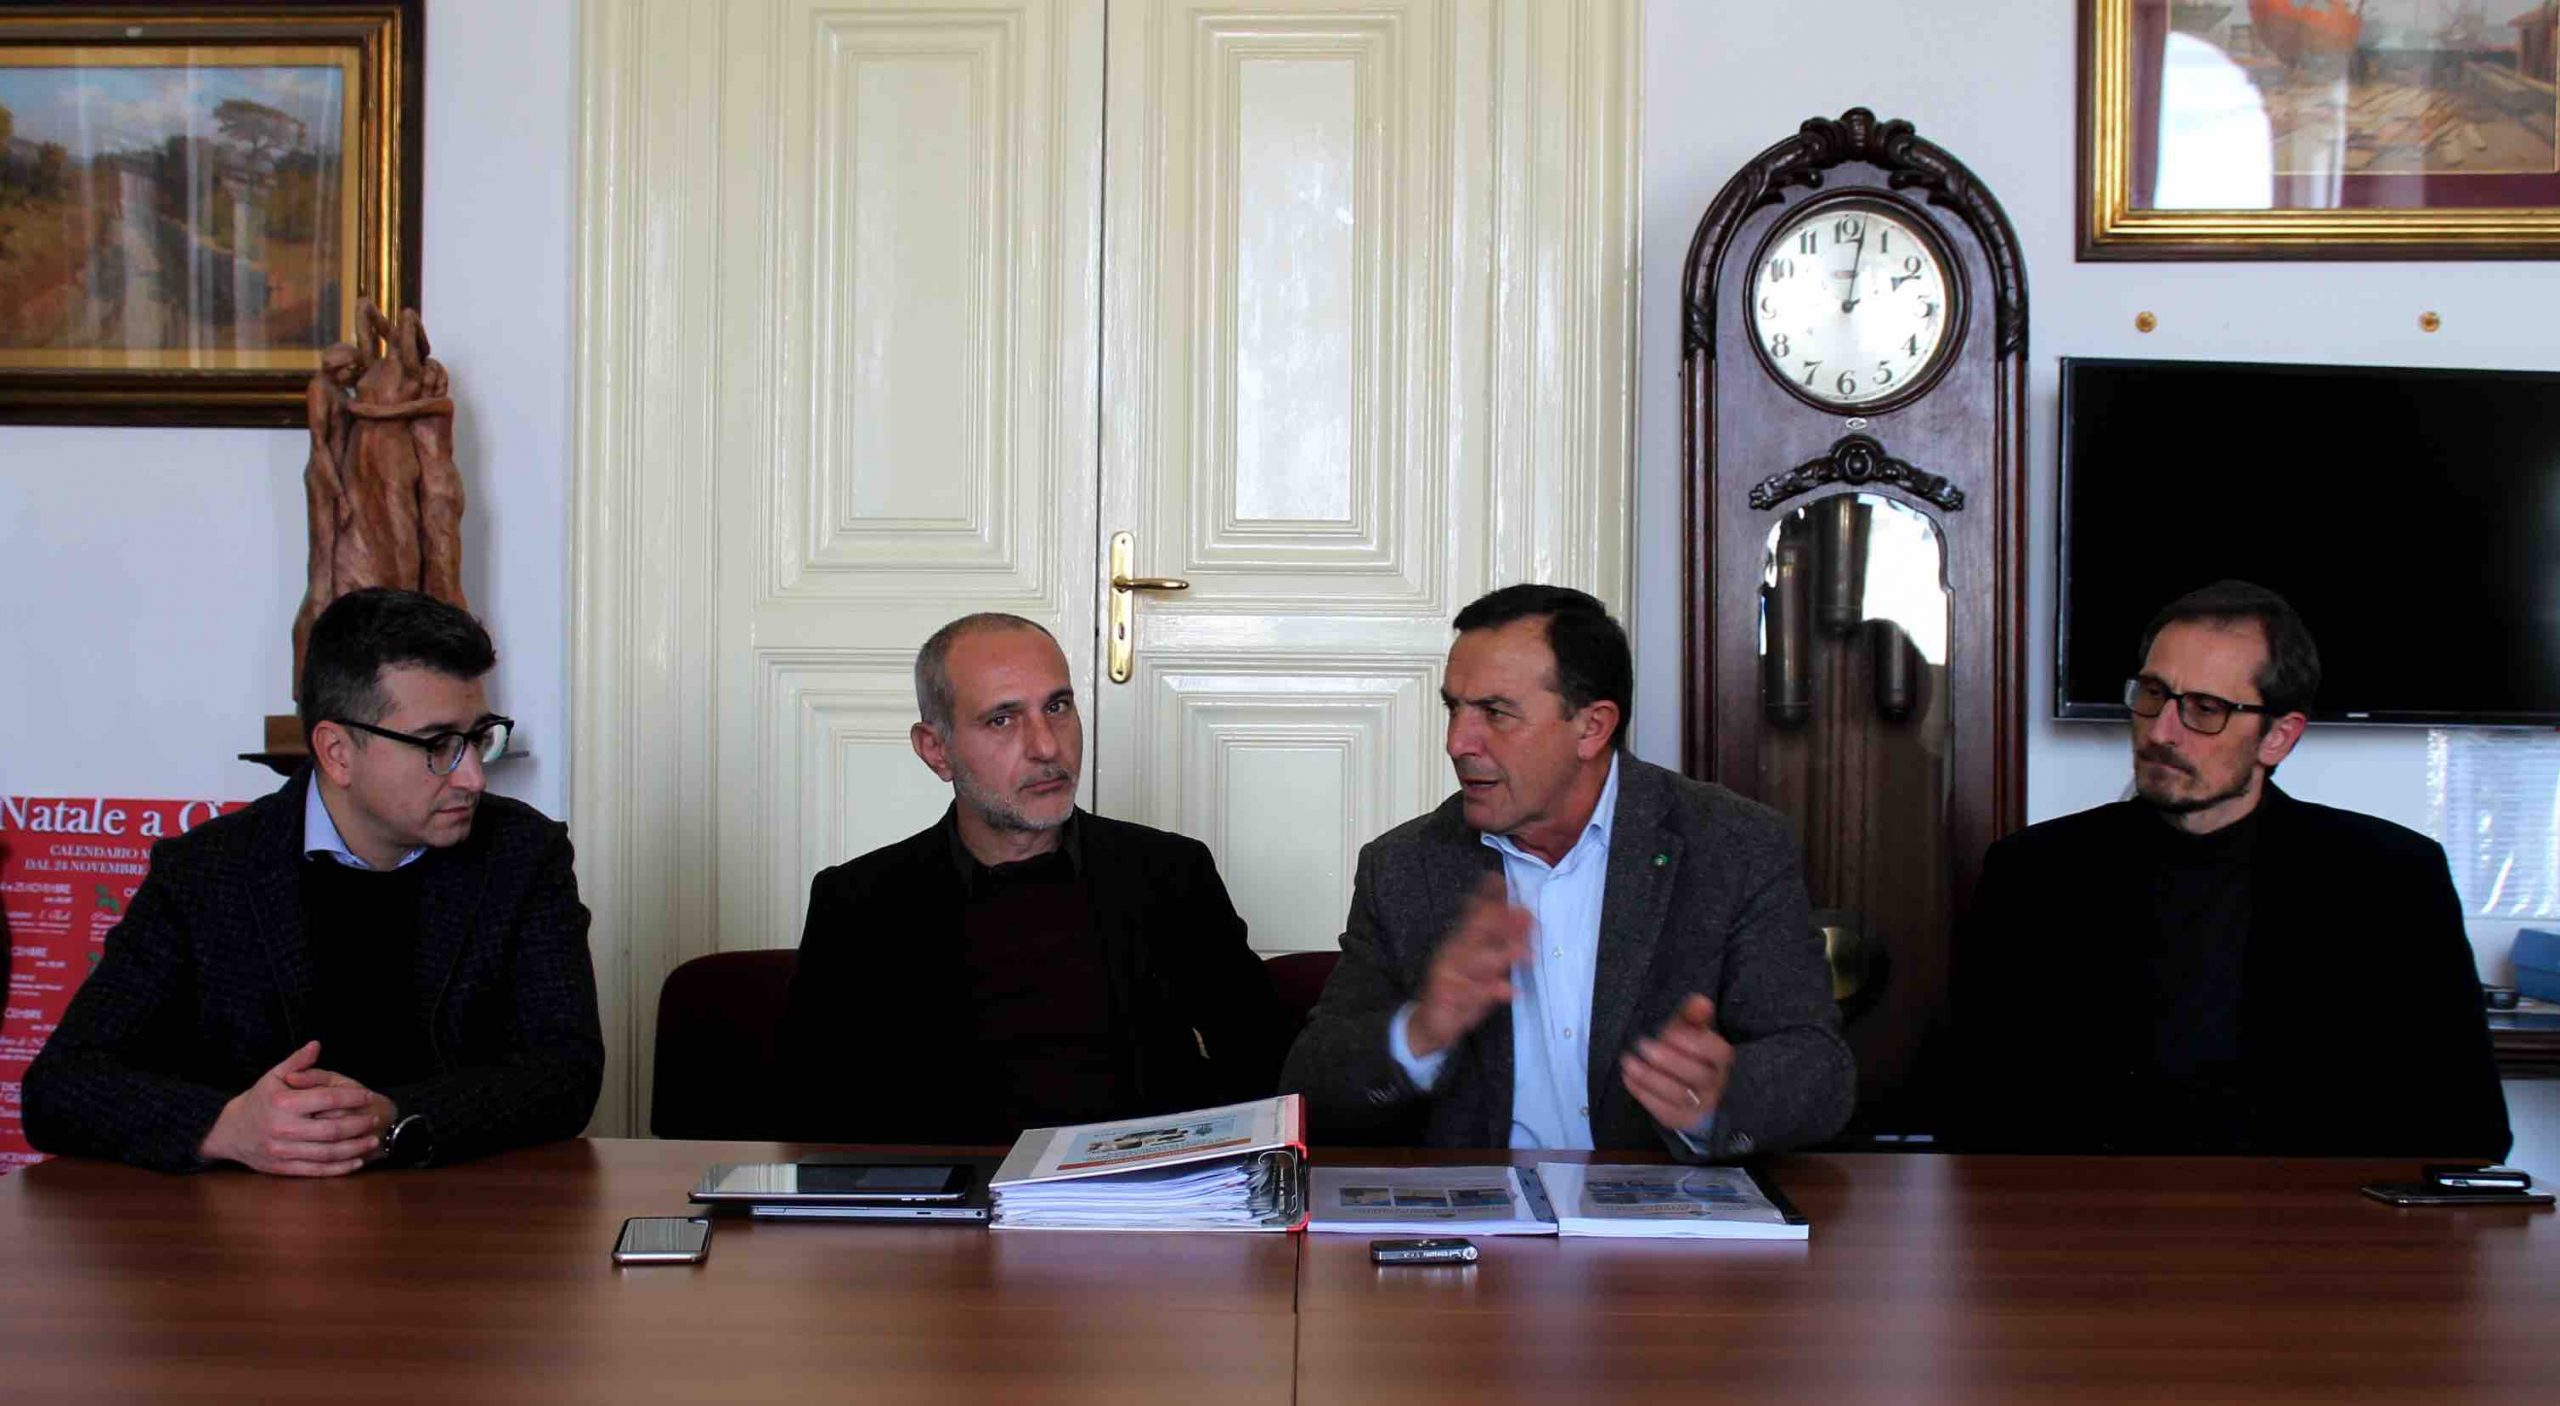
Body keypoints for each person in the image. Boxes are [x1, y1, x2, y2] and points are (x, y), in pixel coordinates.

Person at [23, 589, 603, 1174]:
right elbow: (59, 1086)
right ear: (337, 751)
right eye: (439, 745)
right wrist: (225, 1126)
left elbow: (567, 1071)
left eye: (478, 737)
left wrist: (395, 1120)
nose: (473, 777)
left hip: (459, 1212)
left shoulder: (523, 854)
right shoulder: (203, 873)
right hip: (247, 1221)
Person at [1279, 585, 1854, 1161]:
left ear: (1592, 728)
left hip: (1661, 1208)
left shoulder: (1733, 847)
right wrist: (1419, 1033)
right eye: (1454, 708)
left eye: (1495, 712)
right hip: (1485, 1211)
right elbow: (1310, 1093)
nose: (1457, 742)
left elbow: (1820, 1072)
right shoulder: (1405, 866)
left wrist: (1720, 1098)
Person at [1958, 580, 2509, 1158]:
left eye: (2206, 709)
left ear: (2278, 737)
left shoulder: (2391, 879)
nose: (2161, 731)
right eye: (2153, 693)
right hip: (2095, 1209)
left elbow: (2468, 1128)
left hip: (2310, 1212)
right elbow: (1978, 1115)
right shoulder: (2033, 873)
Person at [781, 613, 1287, 1145]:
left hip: (1136, 1190)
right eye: (1003, 719)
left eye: (1057, 707)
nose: (1047, 747)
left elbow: (1265, 1071)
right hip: (955, 1193)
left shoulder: (1171, 873)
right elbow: (816, 1123)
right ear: (936, 749)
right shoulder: (859, 904)